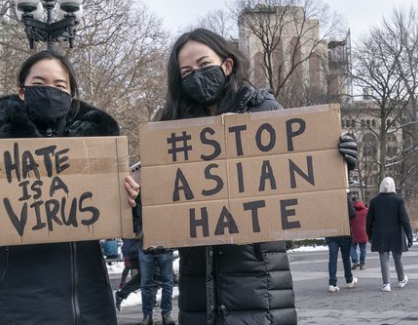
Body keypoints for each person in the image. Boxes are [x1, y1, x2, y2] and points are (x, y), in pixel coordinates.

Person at [152, 28, 358, 325]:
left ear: (227, 64)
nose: (195, 75)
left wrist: (338, 160)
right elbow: (159, 207)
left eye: (203, 64)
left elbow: (302, 175)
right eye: (186, 71)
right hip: (199, 293)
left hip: (261, 289)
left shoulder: (264, 111)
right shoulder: (172, 129)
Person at [0, 50, 140, 325]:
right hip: (21, 307)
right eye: (39, 84)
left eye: (59, 85)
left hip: (89, 304)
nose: (50, 91)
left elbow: (131, 224)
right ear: (22, 91)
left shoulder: (97, 157)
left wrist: (132, 200)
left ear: (72, 93)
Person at [366, 176, 413, 292]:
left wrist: (369, 235)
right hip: (396, 234)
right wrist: (409, 235)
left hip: (380, 234)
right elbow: (404, 219)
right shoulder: (398, 200)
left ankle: (386, 284)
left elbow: (369, 220)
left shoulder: (374, 201)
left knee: (383, 258)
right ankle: (401, 279)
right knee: (398, 257)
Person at [325, 193, 359, 293]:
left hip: (330, 231)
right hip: (343, 231)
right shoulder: (344, 195)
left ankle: (332, 283)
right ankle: (349, 280)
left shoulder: (326, 196)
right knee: (346, 257)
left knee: (332, 257)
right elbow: (352, 214)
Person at [137, 248, 175, 325]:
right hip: (146, 248)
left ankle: (166, 314)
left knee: (167, 283)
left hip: (164, 247)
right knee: (146, 284)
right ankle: (148, 315)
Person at [350, 198, 369, 270]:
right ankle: (362, 264)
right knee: (363, 249)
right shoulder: (366, 211)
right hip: (364, 232)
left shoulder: (351, 211)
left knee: (352, 247)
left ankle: (355, 261)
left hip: (353, 232)